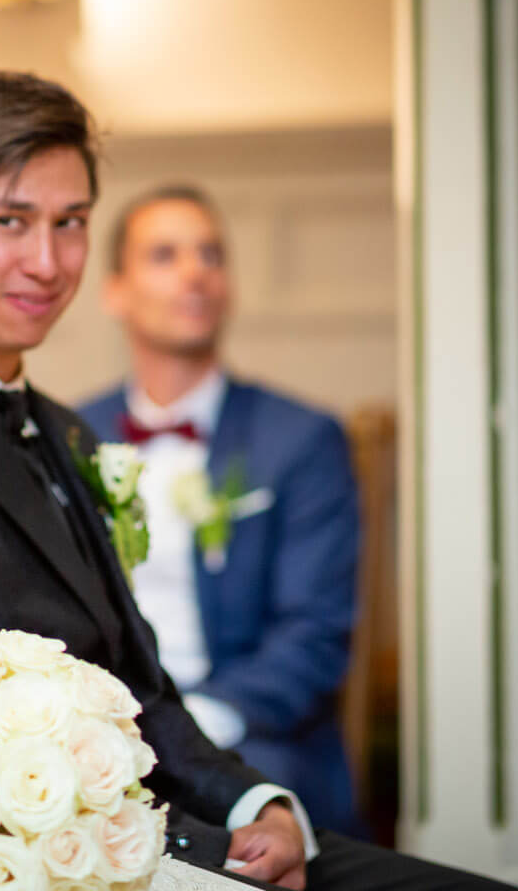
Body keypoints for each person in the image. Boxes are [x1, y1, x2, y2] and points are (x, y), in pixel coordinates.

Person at [0, 69, 511, 890]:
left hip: (169, 802)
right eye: (11, 221)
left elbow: (138, 683)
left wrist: (254, 801)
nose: (47, 261)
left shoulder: (68, 431)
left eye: (71, 223)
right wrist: (195, 846)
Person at [78, 185, 360, 835]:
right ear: (115, 290)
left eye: (210, 254)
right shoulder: (71, 437)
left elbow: (314, 636)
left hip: (249, 733)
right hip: (99, 732)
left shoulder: (301, 440)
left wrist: (198, 726)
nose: (194, 272)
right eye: (165, 255)